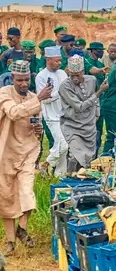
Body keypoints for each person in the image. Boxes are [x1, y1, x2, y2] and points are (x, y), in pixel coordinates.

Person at [0, 60, 53, 257]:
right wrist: (38, 99)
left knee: (26, 191)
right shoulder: (4, 94)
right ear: (12, 78)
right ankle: (10, 240)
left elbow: (34, 121)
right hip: (5, 152)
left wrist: (37, 128)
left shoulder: (33, 97)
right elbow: (13, 113)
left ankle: (22, 229)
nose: (23, 83)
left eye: (26, 79)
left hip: (27, 152)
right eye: (19, 80)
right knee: (6, 197)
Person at [59, 55, 107, 172]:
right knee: (74, 156)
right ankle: (69, 178)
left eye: (78, 75)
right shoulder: (65, 86)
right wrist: (99, 92)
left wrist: (97, 113)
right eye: (72, 75)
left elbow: (96, 102)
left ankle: (83, 183)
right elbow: (79, 107)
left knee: (88, 159)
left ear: (83, 72)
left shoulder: (92, 80)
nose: (75, 78)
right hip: (72, 125)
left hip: (89, 127)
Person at [35, 46, 69, 176]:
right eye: (56, 61)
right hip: (51, 116)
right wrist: (59, 92)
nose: (59, 63)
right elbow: (44, 99)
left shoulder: (62, 74)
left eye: (60, 61)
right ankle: (46, 164)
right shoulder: (41, 77)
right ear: (48, 60)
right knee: (63, 145)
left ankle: (60, 175)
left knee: (64, 148)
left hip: (64, 114)